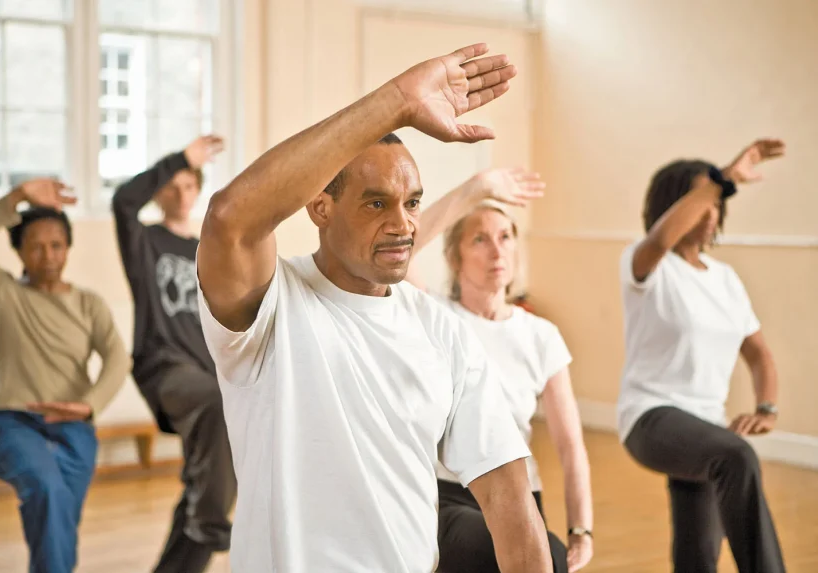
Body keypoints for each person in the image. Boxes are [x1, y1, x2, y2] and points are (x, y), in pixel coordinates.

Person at [196, 43, 553, 572]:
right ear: (321, 207)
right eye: (376, 203)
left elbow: (508, 494)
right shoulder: (270, 306)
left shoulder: (442, 332)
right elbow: (230, 216)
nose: (404, 224)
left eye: (411, 203)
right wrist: (399, 100)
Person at [404, 168, 594, 573]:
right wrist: (472, 191)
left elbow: (570, 445)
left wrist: (582, 528)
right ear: (455, 258)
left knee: (552, 558)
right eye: (480, 239)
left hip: (521, 497)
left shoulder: (541, 335)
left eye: (505, 237)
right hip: (451, 496)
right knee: (500, 553)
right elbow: (406, 248)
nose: (497, 250)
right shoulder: (435, 315)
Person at [618, 138, 788, 573]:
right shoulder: (645, 263)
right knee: (736, 456)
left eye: (717, 202)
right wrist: (725, 178)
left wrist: (766, 408)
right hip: (651, 417)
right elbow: (660, 239)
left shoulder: (726, 279)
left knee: (698, 555)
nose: (712, 210)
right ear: (675, 206)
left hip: (704, 427)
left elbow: (760, 355)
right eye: (701, 199)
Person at [0, 179, 130, 573]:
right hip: (10, 422)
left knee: (60, 519)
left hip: (74, 426)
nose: (47, 255)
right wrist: (16, 197)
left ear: (68, 248)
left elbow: (118, 358)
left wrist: (88, 405)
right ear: (18, 250)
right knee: (49, 491)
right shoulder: (2, 292)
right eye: (35, 246)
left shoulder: (89, 303)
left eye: (56, 245)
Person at [111, 135, 235, 573]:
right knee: (219, 412)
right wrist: (181, 158)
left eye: (188, 185)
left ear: (199, 191)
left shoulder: (208, 249)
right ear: (159, 190)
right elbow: (124, 202)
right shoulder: (145, 243)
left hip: (207, 373)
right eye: (172, 185)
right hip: (165, 369)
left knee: (203, 482)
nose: (180, 195)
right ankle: (214, 525)